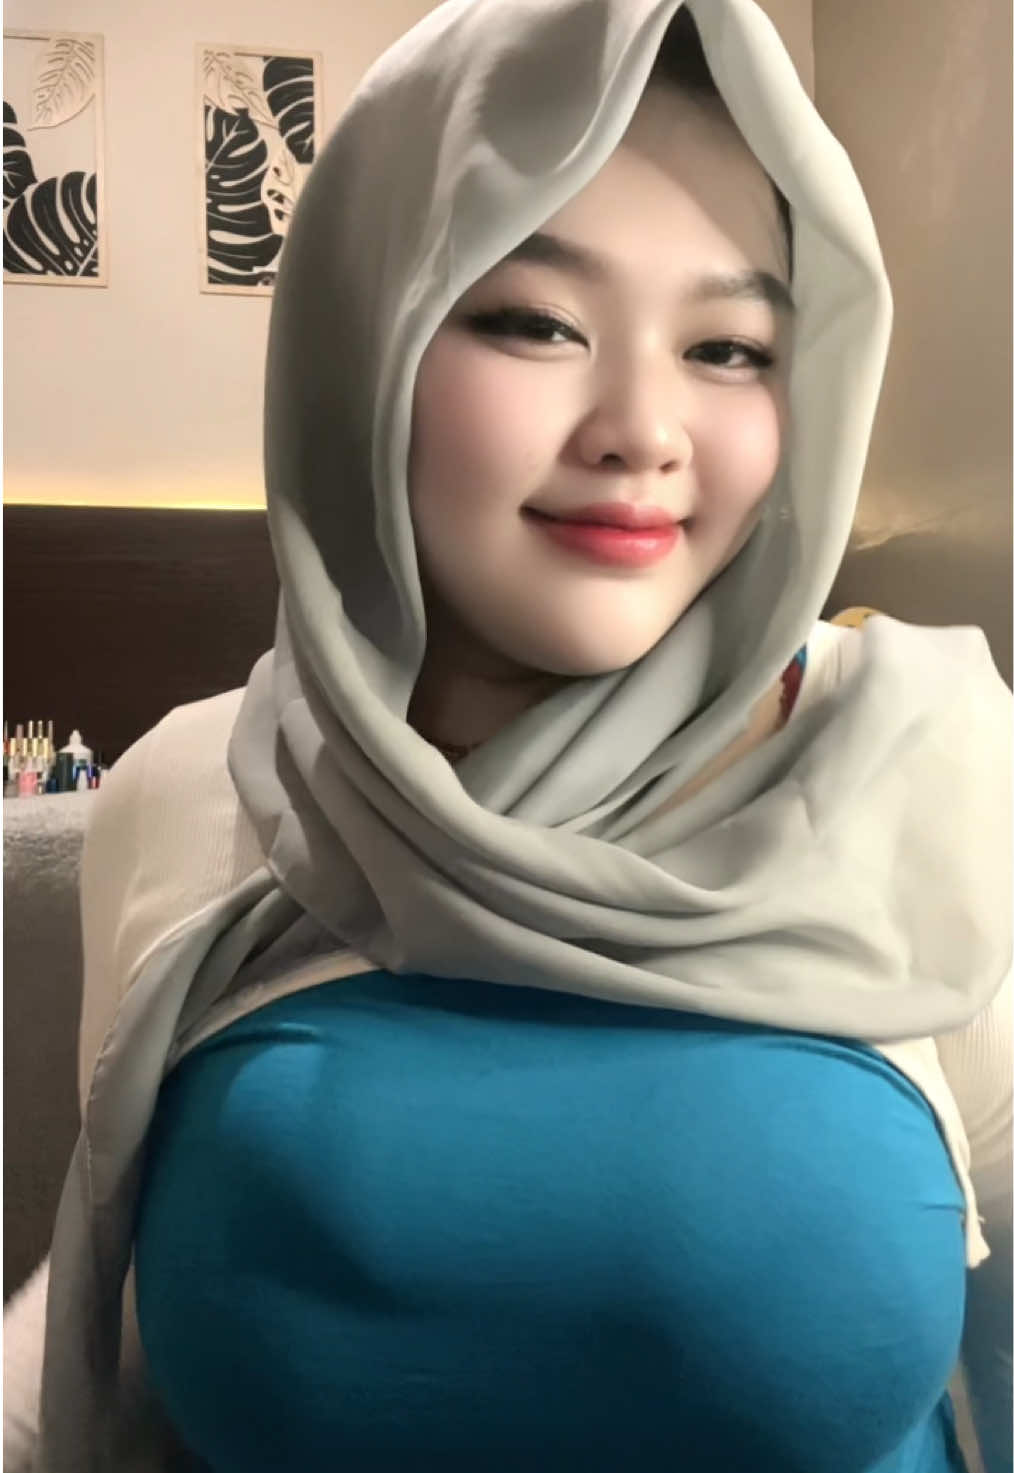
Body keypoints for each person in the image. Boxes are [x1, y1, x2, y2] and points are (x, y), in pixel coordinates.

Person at [14, 1, 1011, 1469]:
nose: (642, 429)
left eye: (730, 345)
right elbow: (118, 1318)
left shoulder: (939, 776)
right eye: (535, 321)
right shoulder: (192, 790)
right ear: (368, 341)